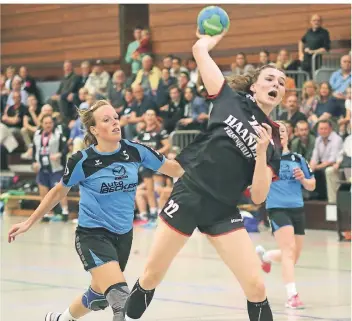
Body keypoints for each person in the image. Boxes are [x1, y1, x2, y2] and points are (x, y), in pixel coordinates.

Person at [124, 29, 286, 321]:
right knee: (151, 275)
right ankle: (134, 299)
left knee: (256, 285)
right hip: (190, 193)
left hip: (222, 208)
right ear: (254, 87)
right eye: (270, 78)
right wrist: (211, 37)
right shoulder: (229, 99)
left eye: (282, 82)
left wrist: (262, 153)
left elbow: (259, 195)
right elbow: (200, 52)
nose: (277, 84)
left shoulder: (275, 139)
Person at [7, 100, 184, 321]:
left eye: (116, 118)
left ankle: (61, 319)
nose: (115, 123)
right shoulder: (82, 160)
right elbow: (58, 192)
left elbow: (176, 169)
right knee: (121, 301)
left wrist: (206, 157)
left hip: (123, 236)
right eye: (106, 120)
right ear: (94, 129)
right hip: (93, 236)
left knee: (99, 296)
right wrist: (28, 222)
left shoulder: (136, 151)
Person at [256, 121, 316, 309]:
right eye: (275, 132)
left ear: (288, 134)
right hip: (277, 208)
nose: (279, 134)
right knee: (289, 250)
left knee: (293, 255)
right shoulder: (267, 159)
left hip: (297, 207)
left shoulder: (298, 158)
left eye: (282, 131)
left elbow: (312, 184)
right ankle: (292, 296)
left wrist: (303, 179)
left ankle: (265, 257)